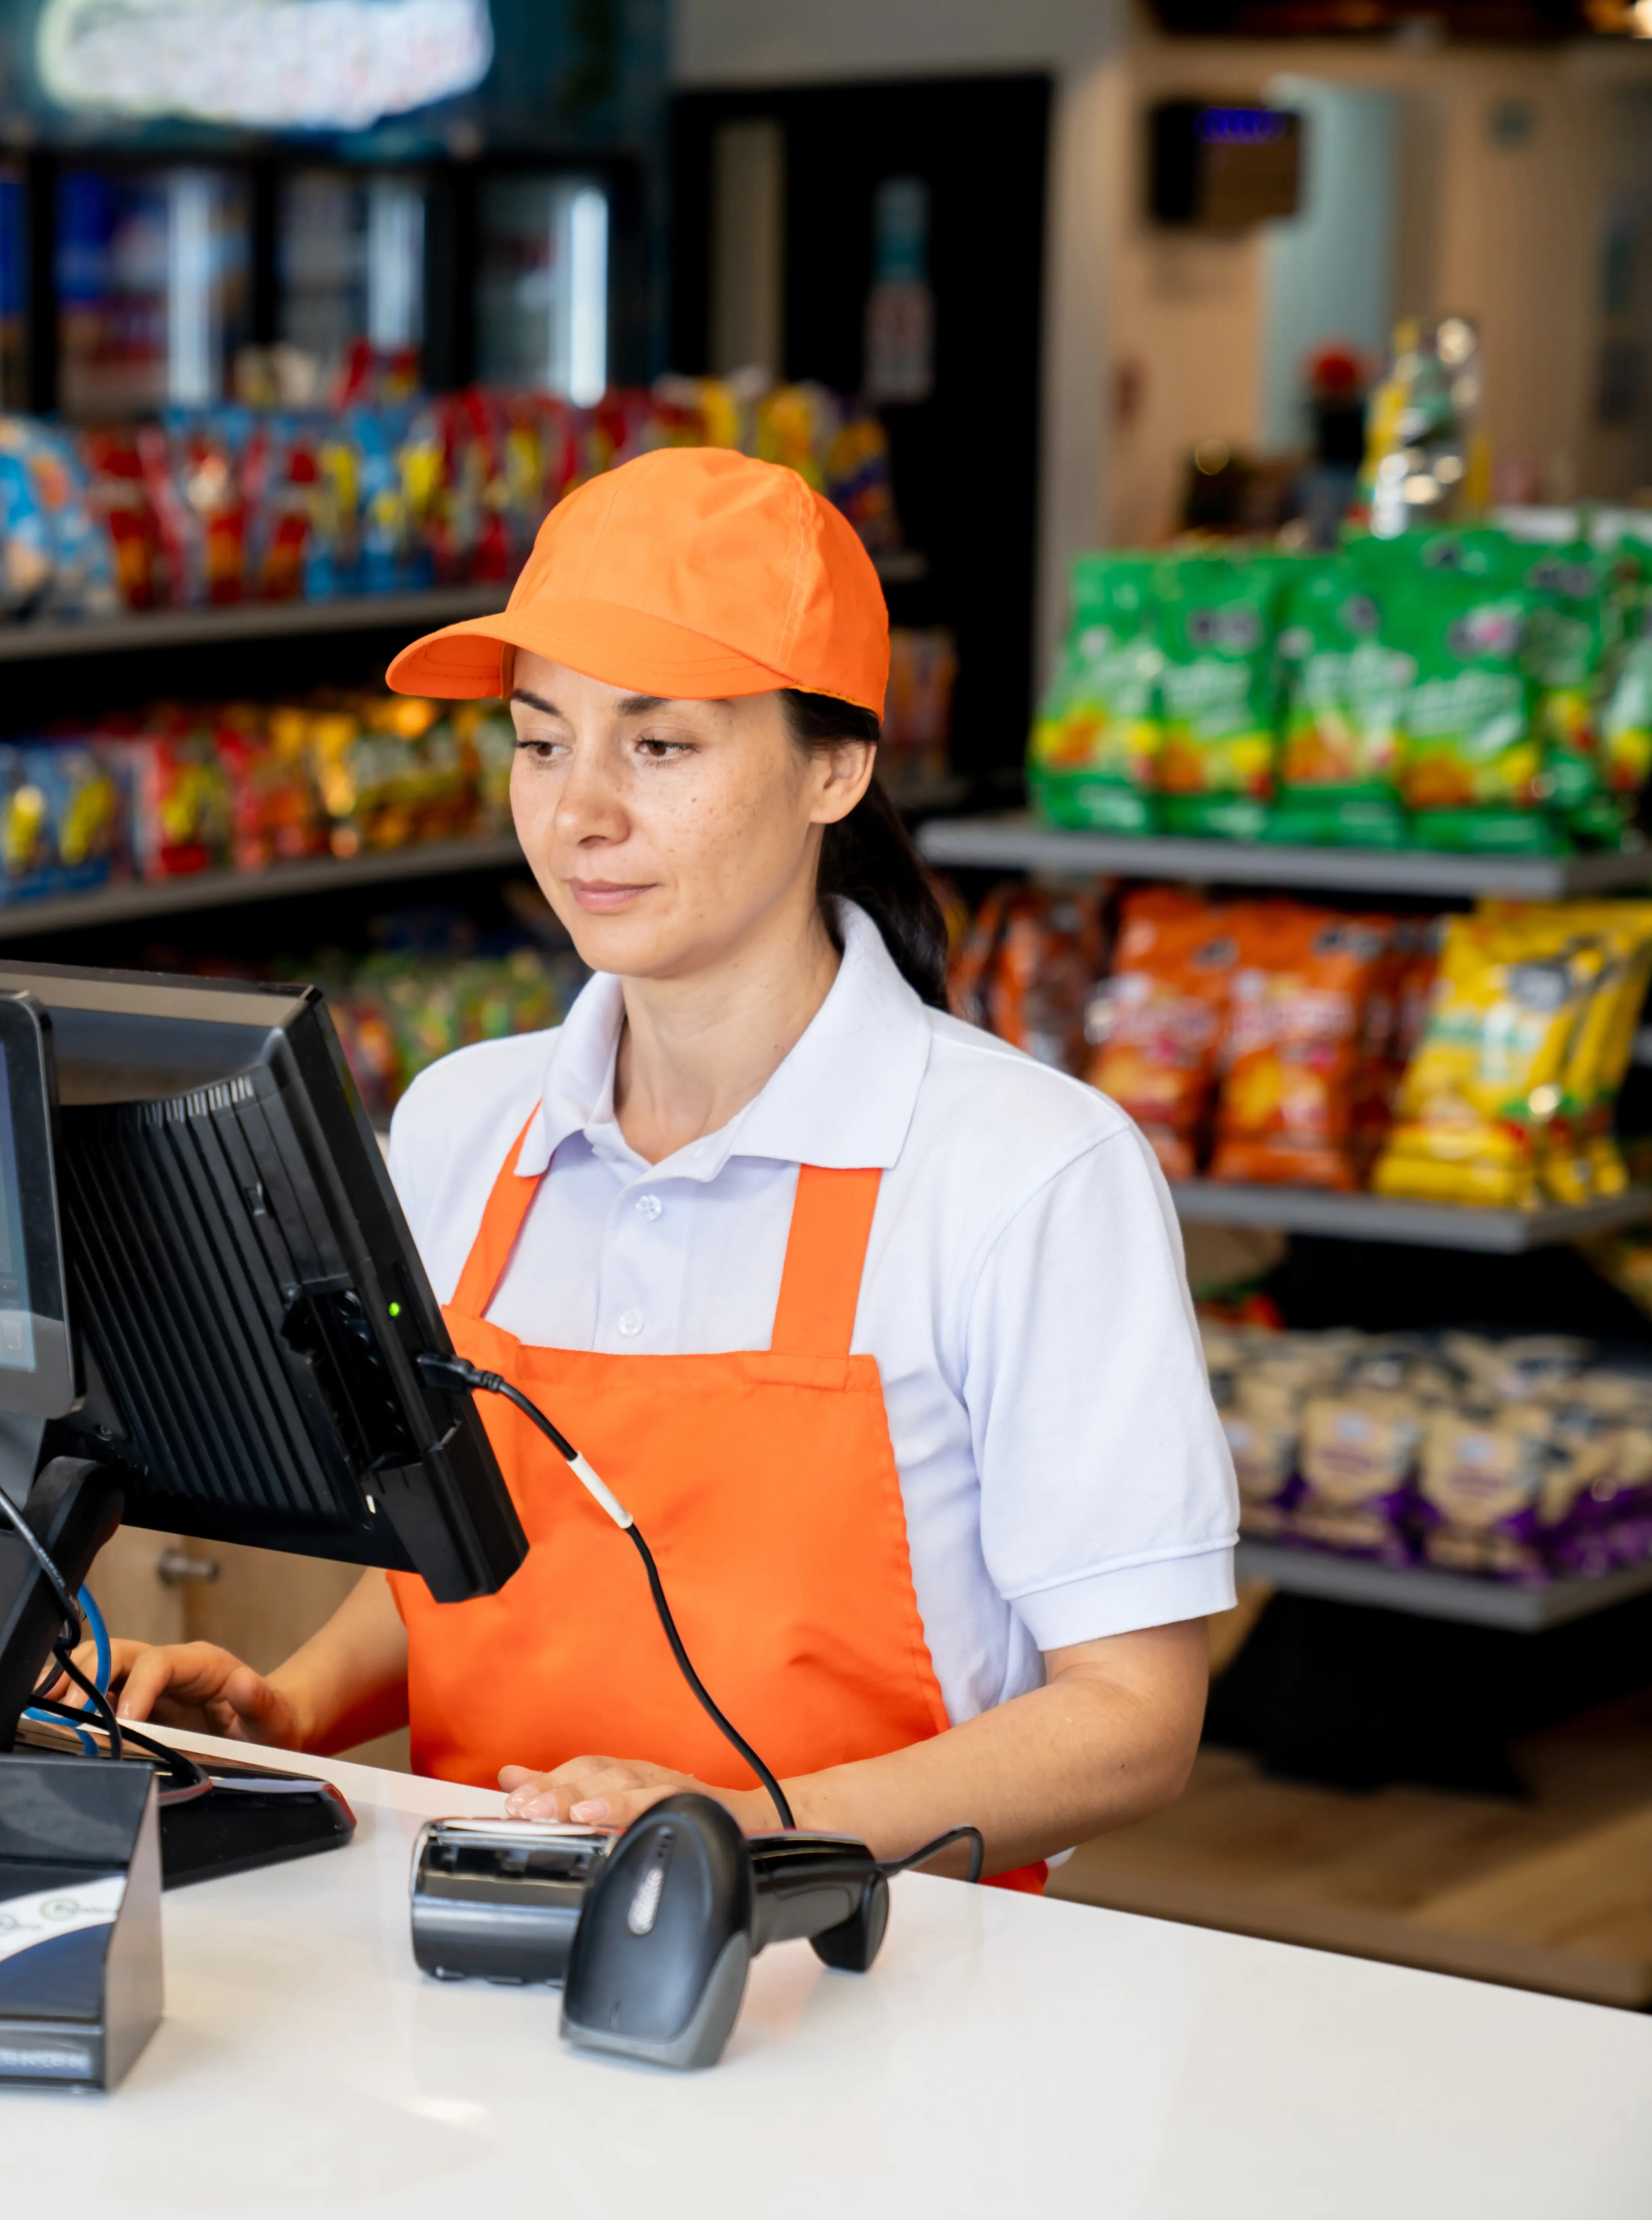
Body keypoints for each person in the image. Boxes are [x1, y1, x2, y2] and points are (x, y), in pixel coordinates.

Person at [92, 447, 1236, 1885]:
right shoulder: (465, 1125)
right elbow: (483, 1564)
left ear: (836, 766)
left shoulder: (1025, 1171)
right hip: (479, 1950)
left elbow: (1132, 1720)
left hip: (877, 1988)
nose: (581, 814)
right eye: (540, 739)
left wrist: (738, 1835)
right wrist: (292, 1704)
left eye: (662, 746)